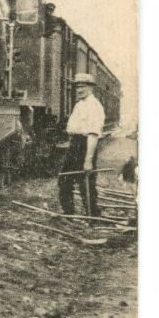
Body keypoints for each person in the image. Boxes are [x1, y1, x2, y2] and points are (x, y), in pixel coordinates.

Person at [59, 72, 106, 216]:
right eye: (77, 87)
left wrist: (88, 160)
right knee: (64, 179)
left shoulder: (94, 106)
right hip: (75, 144)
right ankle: (69, 213)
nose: (79, 90)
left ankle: (93, 216)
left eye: (83, 87)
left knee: (86, 183)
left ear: (91, 88)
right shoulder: (80, 105)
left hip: (85, 146)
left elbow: (93, 135)